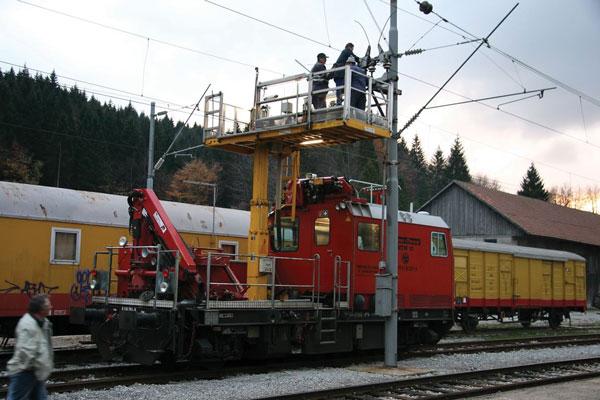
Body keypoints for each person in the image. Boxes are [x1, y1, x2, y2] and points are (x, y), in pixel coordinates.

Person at [6, 294, 54, 400]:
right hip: (24, 373)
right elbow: (25, 352)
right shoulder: (28, 325)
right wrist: (36, 366)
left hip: (35, 374)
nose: (51, 307)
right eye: (48, 305)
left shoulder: (42, 323)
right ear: (41, 309)